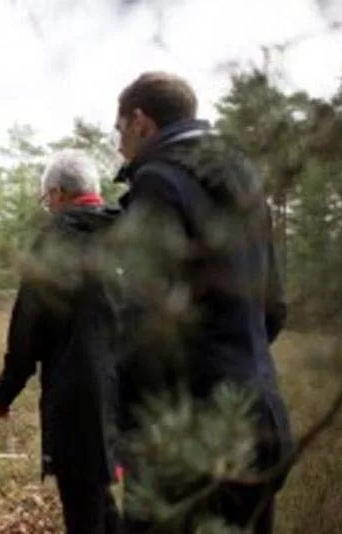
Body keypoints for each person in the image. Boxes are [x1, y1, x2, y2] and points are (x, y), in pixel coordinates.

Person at [111, 71, 293, 533]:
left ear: (140, 121)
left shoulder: (158, 181)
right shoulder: (244, 177)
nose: (118, 145)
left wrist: (128, 429)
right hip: (259, 418)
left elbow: (145, 321)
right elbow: (273, 309)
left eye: (119, 130)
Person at [0, 149, 123, 534]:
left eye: (47, 197)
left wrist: (4, 394)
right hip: (130, 390)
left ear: (60, 193)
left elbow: (28, 330)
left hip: (77, 392)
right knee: (100, 496)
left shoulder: (54, 243)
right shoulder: (130, 233)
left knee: (82, 504)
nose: (47, 206)